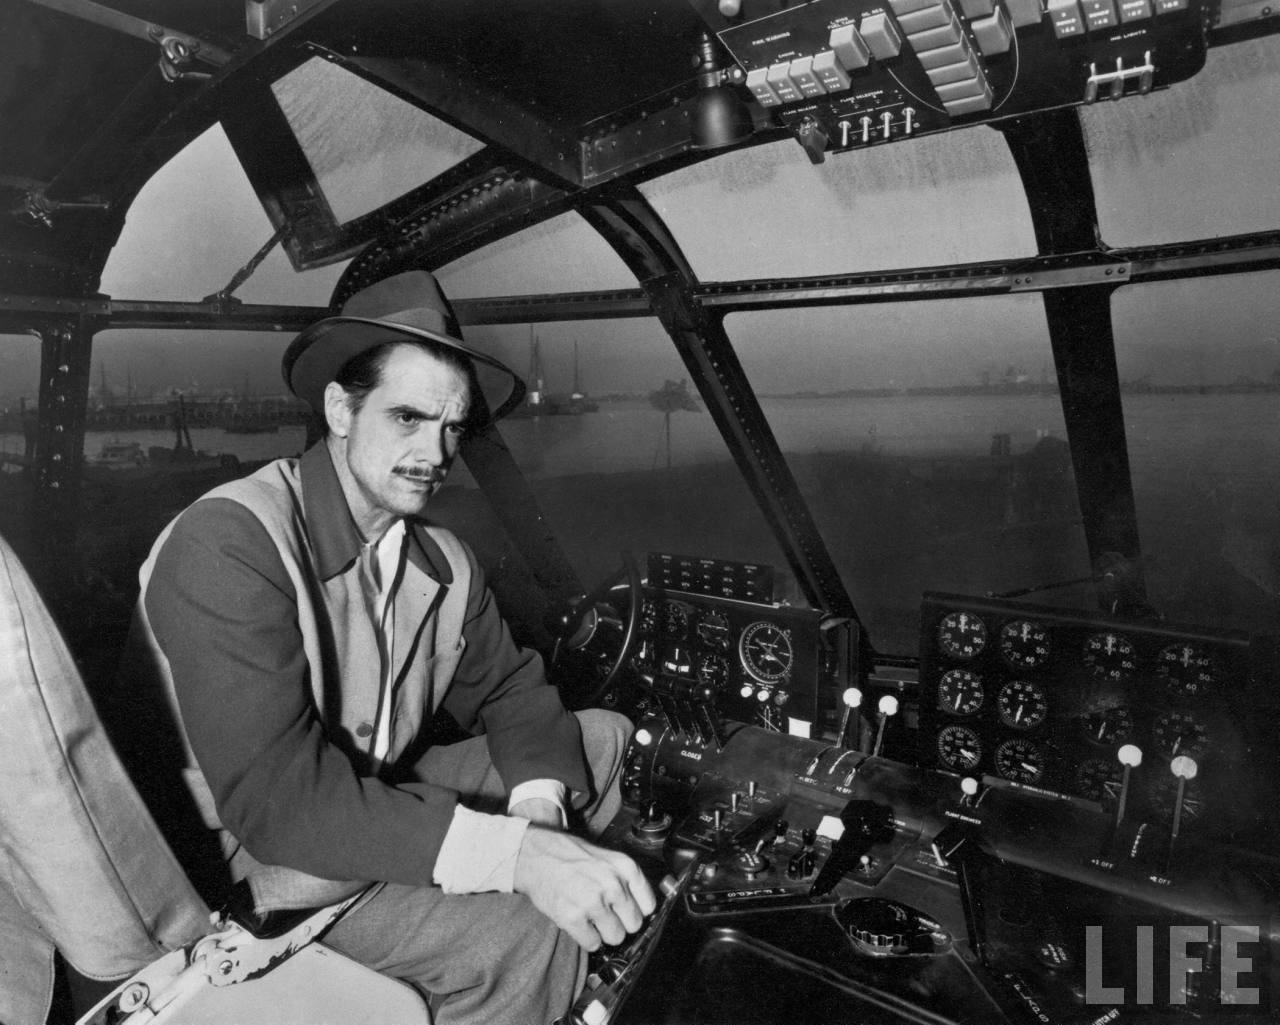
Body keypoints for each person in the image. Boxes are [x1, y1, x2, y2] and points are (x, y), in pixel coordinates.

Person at [127, 270, 655, 1025]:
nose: (434, 452)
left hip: (359, 794)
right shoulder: (230, 540)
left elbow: (512, 691)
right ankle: (522, 974)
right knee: (525, 929)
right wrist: (520, 858)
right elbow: (281, 802)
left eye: (450, 426)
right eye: (407, 417)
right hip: (241, 862)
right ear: (340, 410)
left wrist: (537, 816)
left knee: (604, 739)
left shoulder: (442, 561)